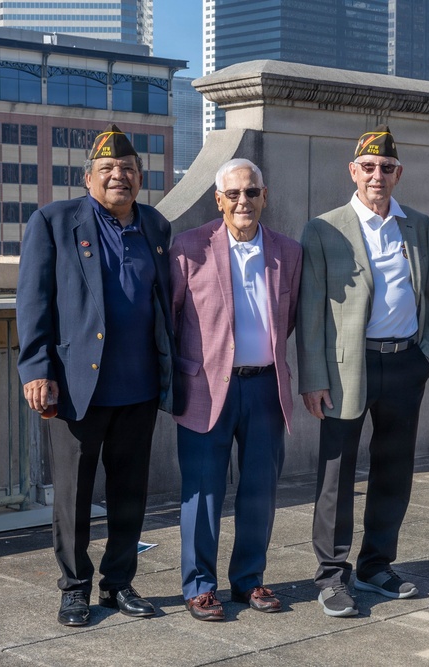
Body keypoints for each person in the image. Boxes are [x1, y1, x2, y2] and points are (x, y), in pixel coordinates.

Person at [16, 124, 175, 627]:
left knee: (130, 492)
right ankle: (75, 587)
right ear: (89, 178)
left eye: (127, 170)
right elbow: (33, 302)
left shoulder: (156, 226)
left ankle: (119, 582)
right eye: (107, 170)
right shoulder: (54, 222)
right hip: (76, 387)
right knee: (74, 495)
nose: (118, 177)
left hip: (140, 386)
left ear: (140, 178)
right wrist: (37, 368)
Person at [297, 125, 429, 618]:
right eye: (368, 167)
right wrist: (312, 377)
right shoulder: (325, 227)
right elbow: (309, 310)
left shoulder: (416, 224)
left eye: (386, 167)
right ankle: (332, 576)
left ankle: (377, 565)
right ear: (352, 171)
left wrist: (426, 354)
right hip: (346, 369)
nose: (377, 175)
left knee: (394, 468)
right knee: (336, 474)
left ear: (398, 173)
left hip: (405, 363)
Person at [169, 159, 301, 622]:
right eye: (234, 194)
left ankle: (249, 580)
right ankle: (200, 587)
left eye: (252, 192)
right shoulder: (189, 248)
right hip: (204, 389)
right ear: (218, 200)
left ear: (265, 196)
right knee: (202, 493)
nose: (243, 201)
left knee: (259, 491)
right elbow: (170, 318)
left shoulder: (289, 251)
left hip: (265, 387)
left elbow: (292, 317)